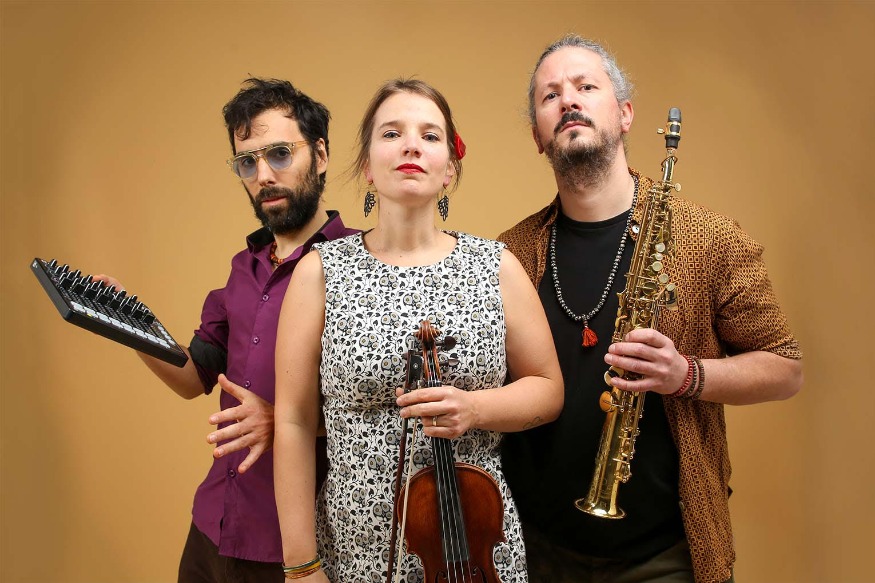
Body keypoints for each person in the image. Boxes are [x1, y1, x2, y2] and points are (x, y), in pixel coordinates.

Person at [498, 35, 803, 583]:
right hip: (534, 549)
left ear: (625, 114)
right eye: (550, 95)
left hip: (663, 556)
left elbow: (786, 368)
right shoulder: (510, 252)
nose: (569, 101)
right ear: (538, 137)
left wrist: (687, 375)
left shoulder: (711, 239)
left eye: (586, 86)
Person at [273, 78, 563, 582]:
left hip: (472, 553)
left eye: (430, 135)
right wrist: (301, 566)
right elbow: (295, 421)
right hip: (355, 554)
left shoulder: (496, 267)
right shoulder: (320, 272)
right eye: (391, 133)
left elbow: (548, 388)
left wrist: (475, 408)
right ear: (367, 166)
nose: (411, 145)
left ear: (449, 168)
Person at [97, 78, 357, 582]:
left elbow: (384, 411)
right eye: (247, 162)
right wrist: (127, 324)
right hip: (213, 528)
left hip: (294, 549)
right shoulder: (244, 266)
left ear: (321, 155)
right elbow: (193, 376)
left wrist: (284, 421)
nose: (264, 175)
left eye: (280, 154)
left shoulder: (361, 267)